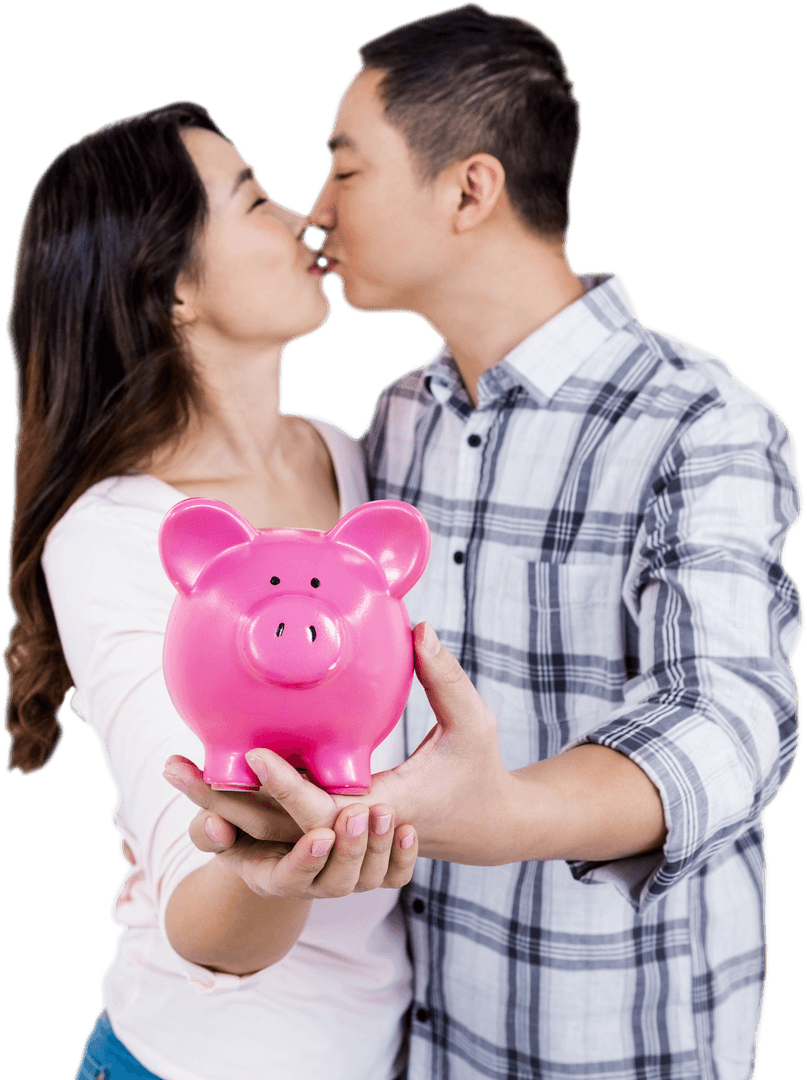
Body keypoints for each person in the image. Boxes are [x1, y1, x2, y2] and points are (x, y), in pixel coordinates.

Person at [178, 6, 803, 1079]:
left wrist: (505, 814)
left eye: (346, 170)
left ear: (470, 189)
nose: (314, 215)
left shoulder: (700, 419)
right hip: (422, 1041)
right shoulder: (398, 417)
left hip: (622, 1047)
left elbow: (732, 723)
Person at [4, 100, 419, 1080]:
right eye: (258, 200)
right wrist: (273, 855)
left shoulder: (356, 457)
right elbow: (210, 923)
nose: (305, 219)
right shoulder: (117, 539)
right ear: (172, 288)